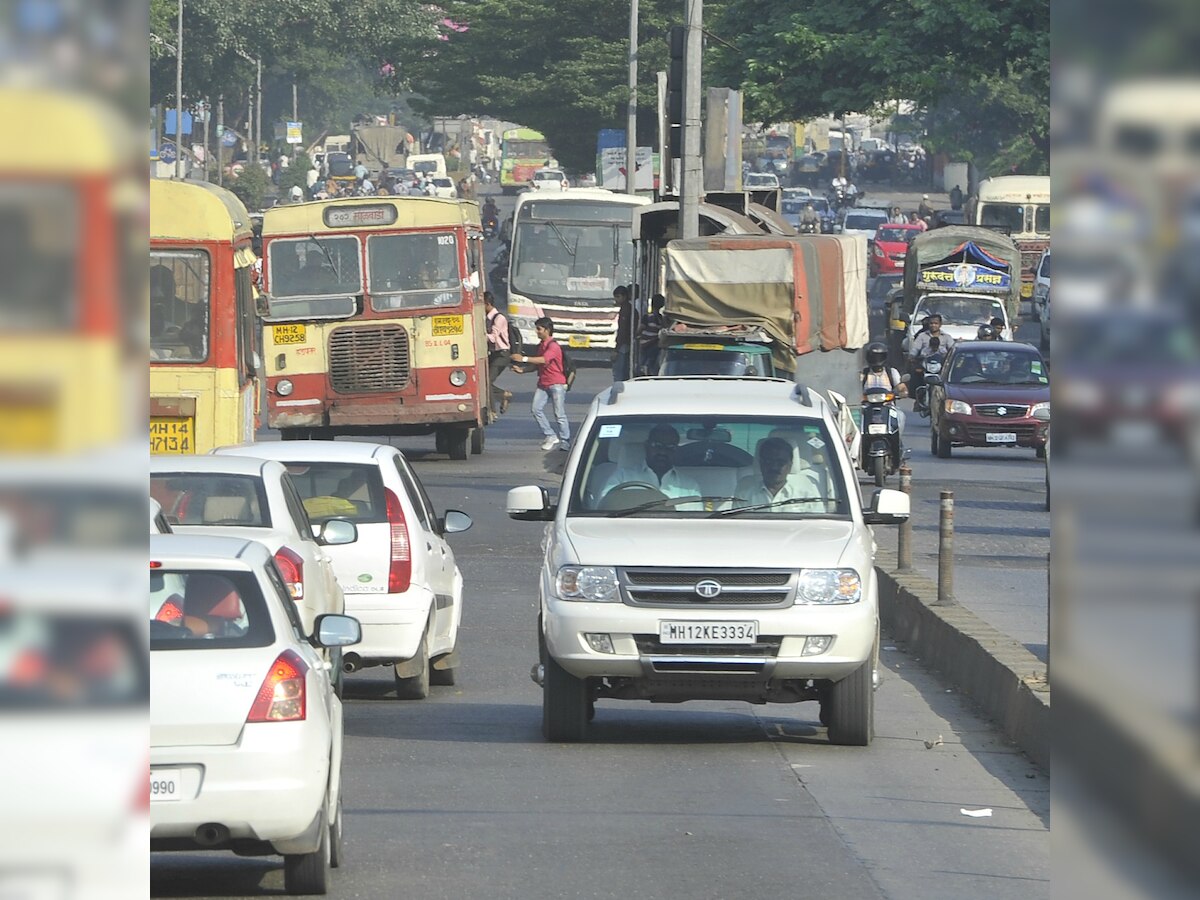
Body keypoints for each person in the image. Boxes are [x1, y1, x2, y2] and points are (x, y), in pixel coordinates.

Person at [509, 317, 571, 450]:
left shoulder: (553, 346)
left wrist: (523, 358)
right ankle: (550, 435)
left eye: (539, 329)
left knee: (559, 414)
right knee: (536, 409)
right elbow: (537, 365)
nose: (537, 332)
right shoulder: (541, 346)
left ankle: (565, 440)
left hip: (556, 383)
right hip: (543, 383)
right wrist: (522, 370)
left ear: (547, 330)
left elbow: (543, 360)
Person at [599, 423, 701, 503]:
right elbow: (605, 510)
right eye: (657, 445)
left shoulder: (689, 486)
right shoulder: (621, 478)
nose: (663, 452)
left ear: (676, 451)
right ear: (646, 446)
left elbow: (694, 525)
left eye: (670, 447)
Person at [732, 437, 822, 509]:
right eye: (768, 462)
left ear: (790, 465)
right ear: (760, 463)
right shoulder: (745, 488)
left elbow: (819, 526)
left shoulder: (807, 489)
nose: (774, 467)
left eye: (781, 463)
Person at [862, 340, 908, 437]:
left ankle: (897, 441)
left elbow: (902, 388)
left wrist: (901, 393)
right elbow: (856, 389)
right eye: (873, 357)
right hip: (866, 408)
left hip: (888, 406)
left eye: (879, 357)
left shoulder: (892, 372)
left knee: (900, 416)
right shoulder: (863, 374)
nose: (876, 360)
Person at [483, 292, 513, 417]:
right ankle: (503, 395)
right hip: (494, 353)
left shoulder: (498, 318)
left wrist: (480, 335)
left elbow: (494, 338)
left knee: (487, 382)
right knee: (483, 380)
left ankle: (492, 410)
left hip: (502, 354)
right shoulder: (487, 318)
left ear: (487, 304)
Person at [637, 293, 665, 375]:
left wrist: (636, 334)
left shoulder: (647, 317)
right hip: (655, 344)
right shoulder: (661, 318)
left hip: (645, 344)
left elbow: (640, 328)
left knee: (642, 363)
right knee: (653, 364)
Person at [611, 284, 634, 382]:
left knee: (619, 372)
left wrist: (617, 348)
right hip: (626, 343)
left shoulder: (626, 310)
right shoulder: (627, 308)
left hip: (624, 344)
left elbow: (623, 330)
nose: (616, 299)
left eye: (618, 297)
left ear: (624, 296)